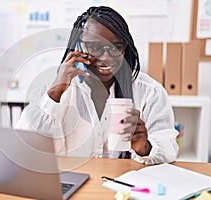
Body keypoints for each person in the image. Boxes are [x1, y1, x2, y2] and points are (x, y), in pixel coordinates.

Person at [15, 6, 179, 165]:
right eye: (95, 47)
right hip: (73, 182)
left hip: (126, 186)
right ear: (80, 45)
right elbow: (25, 146)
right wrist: (56, 92)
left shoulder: (149, 92)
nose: (107, 57)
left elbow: (169, 148)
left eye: (116, 47)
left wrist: (145, 147)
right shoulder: (54, 86)